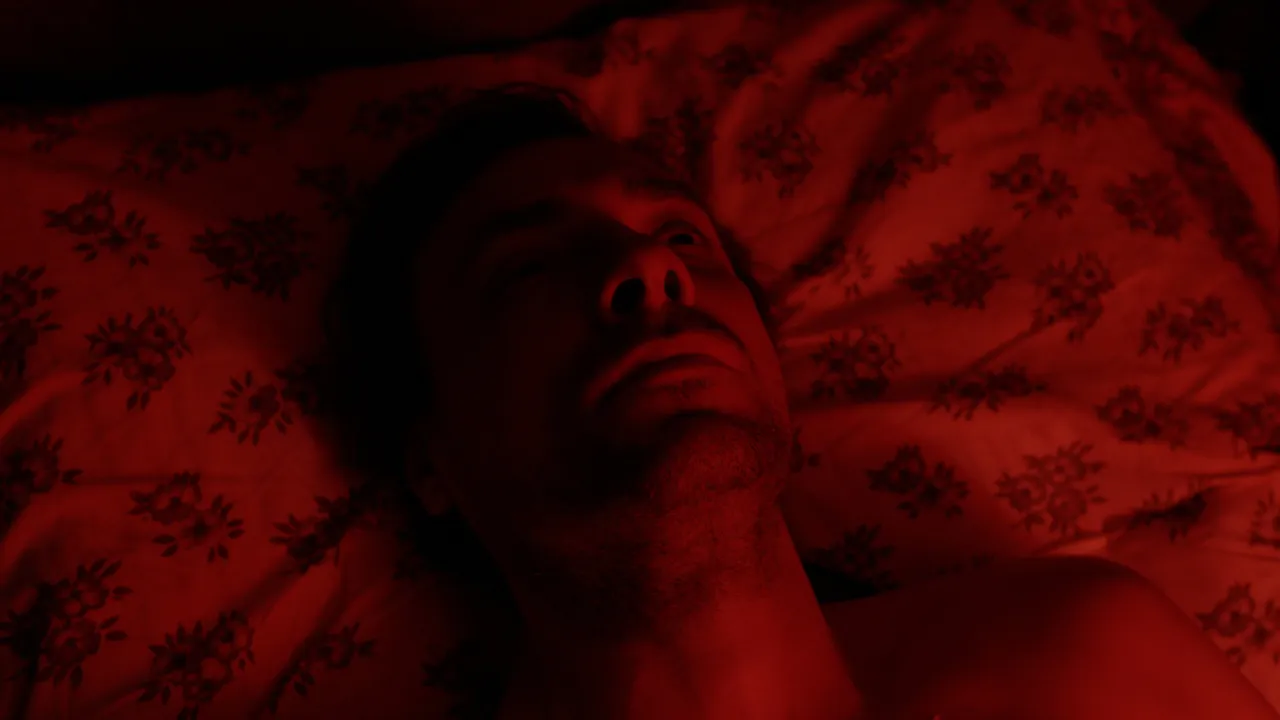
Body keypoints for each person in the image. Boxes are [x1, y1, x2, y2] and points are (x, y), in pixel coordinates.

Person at [324, 85, 1280, 720]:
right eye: (526, 268)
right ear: (430, 461)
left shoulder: (1087, 658)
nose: (648, 265)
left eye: (684, 238)